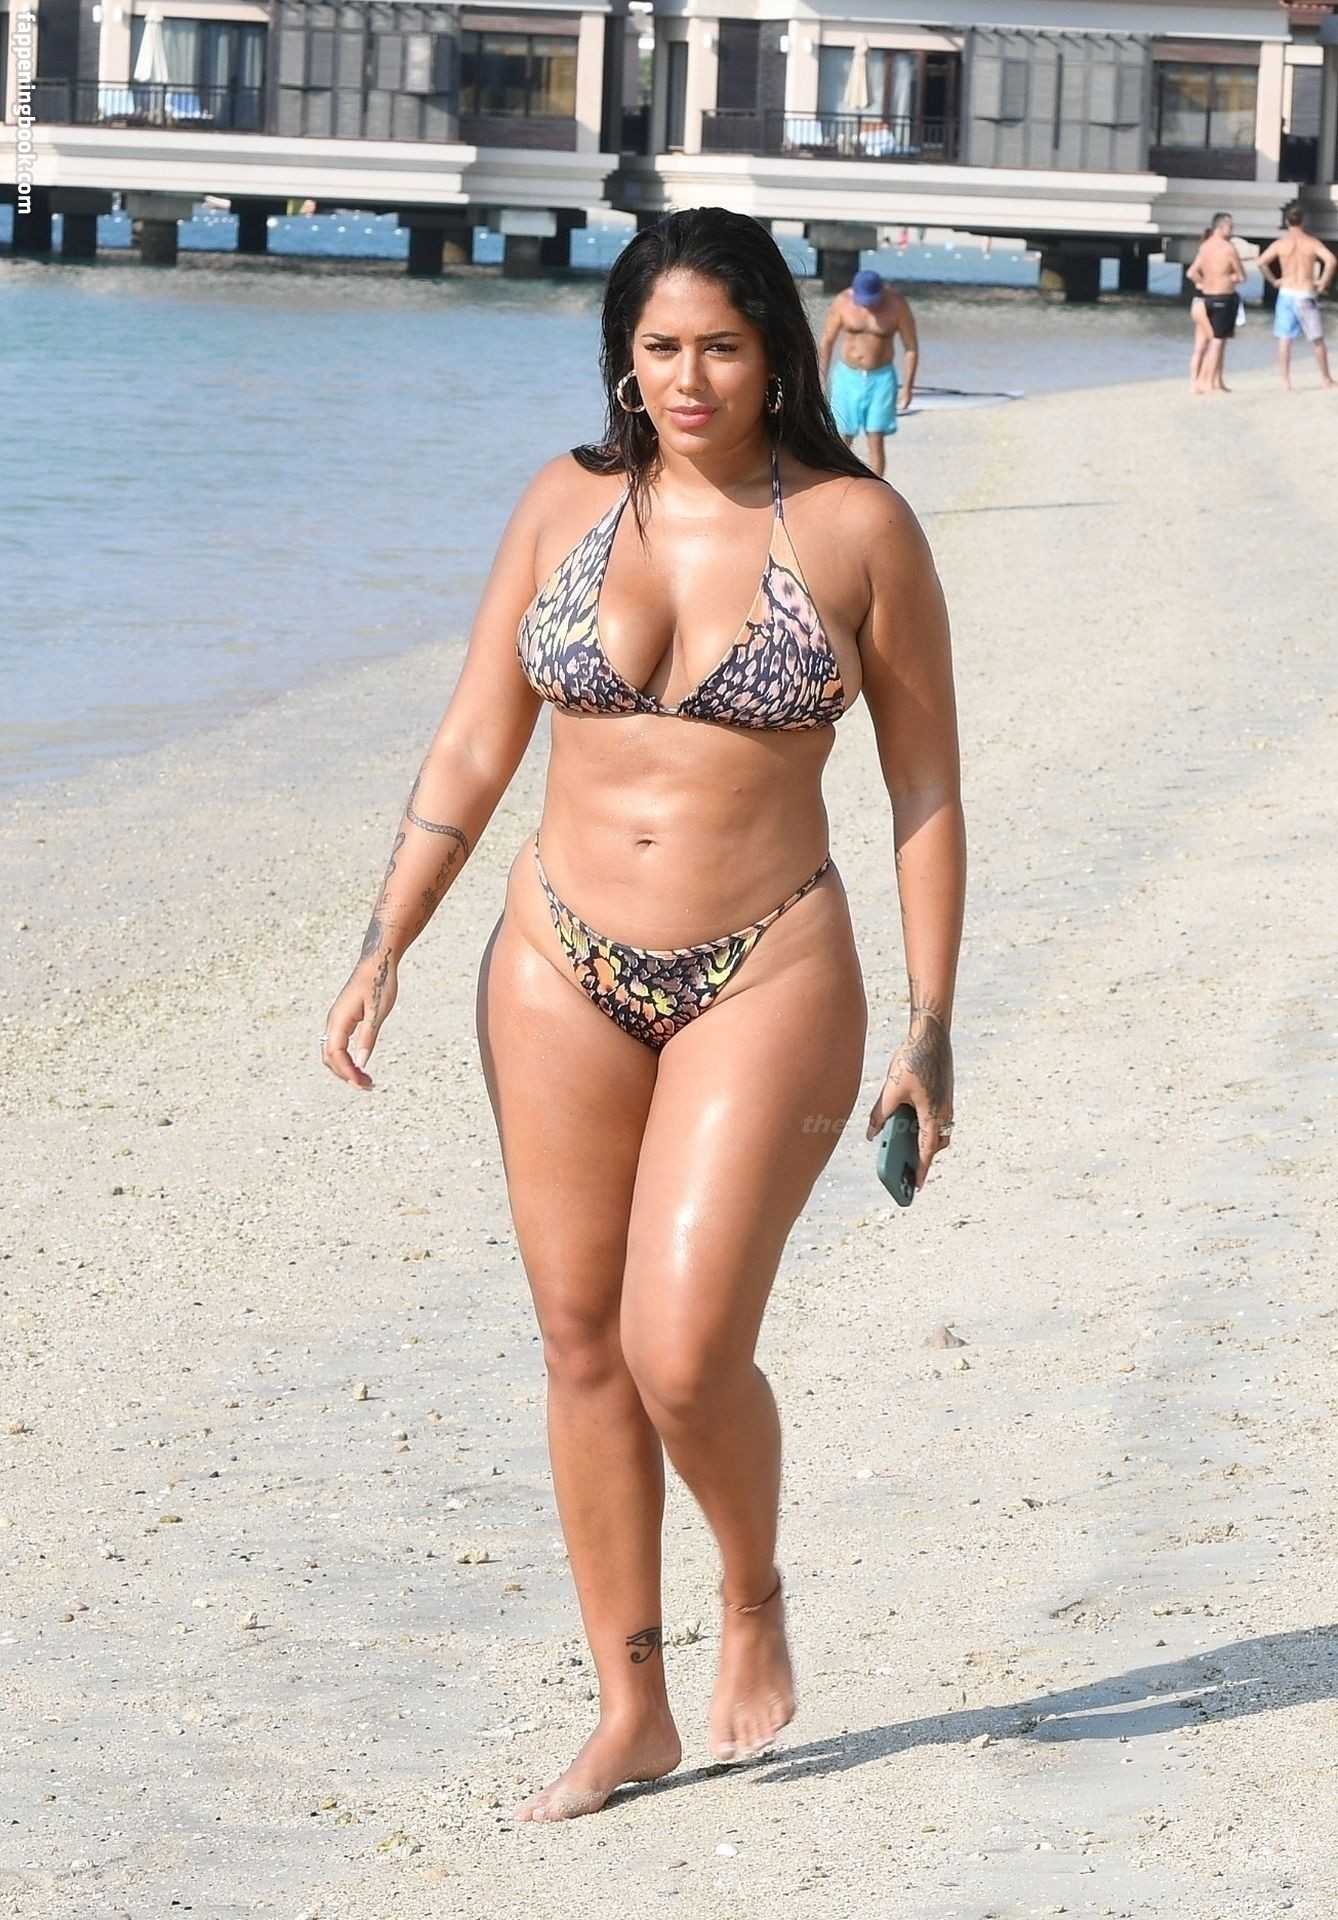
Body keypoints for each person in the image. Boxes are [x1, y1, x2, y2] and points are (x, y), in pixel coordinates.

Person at [322, 206, 965, 1823]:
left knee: (683, 1355)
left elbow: (924, 790)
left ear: (776, 356)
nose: (688, 379)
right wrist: (386, 941)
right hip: (555, 957)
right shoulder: (562, 503)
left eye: (721, 348)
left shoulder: (856, 527)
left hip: (766, 962)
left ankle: (750, 1590)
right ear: (622, 353)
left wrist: (930, 1021)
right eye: (660, 346)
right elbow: (476, 740)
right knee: (578, 1339)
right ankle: (631, 1708)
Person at [818, 267, 918, 476]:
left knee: (875, 439)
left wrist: (907, 387)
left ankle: (876, 487)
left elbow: (911, 348)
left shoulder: (897, 305)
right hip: (847, 375)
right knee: (842, 437)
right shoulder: (842, 302)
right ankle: (842, 486)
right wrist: (820, 378)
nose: (869, 306)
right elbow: (827, 341)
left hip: (881, 378)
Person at [1256, 200, 1336, 392]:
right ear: (1303, 221)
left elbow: (1261, 263)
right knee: (1316, 339)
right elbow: (1331, 260)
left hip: (1286, 292)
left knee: (1285, 339)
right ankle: (1326, 379)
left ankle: (1286, 382)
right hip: (1305, 292)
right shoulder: (1311, 242)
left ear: (1286, 222)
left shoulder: (1281, 244)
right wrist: (1323, 282)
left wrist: (1274, 280)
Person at [1184, 213, 1245, 394]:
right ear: (1221, 227)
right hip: (1222, 298)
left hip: (1204, 298)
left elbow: (1191, 272)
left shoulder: (1205, 247)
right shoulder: (1228, 248)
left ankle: (1196, 383)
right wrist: (1231, 278)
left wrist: (1202, 283)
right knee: (1218, 342)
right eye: (1230, 227)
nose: (1232, 230)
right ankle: (1209, 382)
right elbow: (1241, 275)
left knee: (1200, 345)